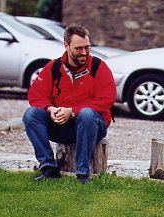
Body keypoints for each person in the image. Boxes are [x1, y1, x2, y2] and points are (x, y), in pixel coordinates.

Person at [23, 24, 117, 184]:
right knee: (31, 114)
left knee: (86, 114)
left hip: (92, 124)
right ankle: (48, 168)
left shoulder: (98, 66)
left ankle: (83, 173)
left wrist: (73, 111)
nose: (85, 52)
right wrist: (50, 109)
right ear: (66, 46)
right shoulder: (53, 67)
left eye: (87, 47)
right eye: (79, 48)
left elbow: (107, 99)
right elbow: (35, 95)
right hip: (61, 125)